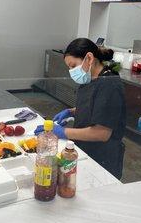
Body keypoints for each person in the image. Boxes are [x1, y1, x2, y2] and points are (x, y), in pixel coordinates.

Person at [35, 38, 126, 180]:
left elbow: (102, 133)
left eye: (73, 66)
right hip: (86, 149)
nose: (72, 72)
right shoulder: (90, 78)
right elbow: (95, 105)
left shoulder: (109, 84)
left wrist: (62, 132)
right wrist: (71, 112)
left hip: (103, 157)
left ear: (89, 58)